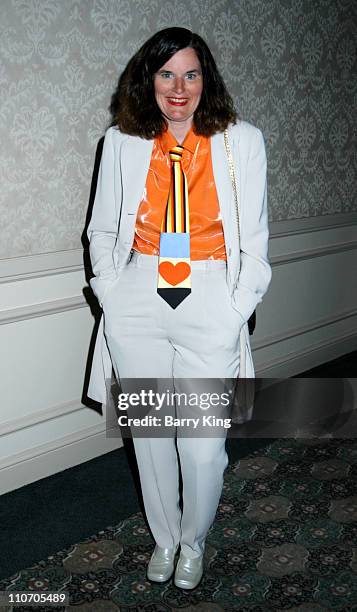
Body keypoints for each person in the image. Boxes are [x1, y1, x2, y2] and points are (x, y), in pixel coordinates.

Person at [86, 27, 271, 590]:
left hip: (210, 291)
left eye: (191, 73)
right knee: (150, 437)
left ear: (206, 78)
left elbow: (256, 239)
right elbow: (102, 227)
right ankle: (165, 539)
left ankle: (194, 540)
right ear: (148, 79)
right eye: (166, 73)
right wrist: (111, 292)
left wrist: (234, 308)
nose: (178, 87)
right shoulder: (121, 141)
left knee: (201, 446)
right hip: (139, 293)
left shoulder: (242, 140)